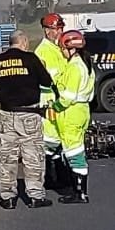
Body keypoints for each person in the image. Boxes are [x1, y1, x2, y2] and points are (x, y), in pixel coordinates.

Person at [0, 30, 55, 210]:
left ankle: (7, 197)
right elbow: (47, 82)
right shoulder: (31, 59)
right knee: (33, 157)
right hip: (29, 114)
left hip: (7, 114)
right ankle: (35, 196)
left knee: (8, 157)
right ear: (22, 42)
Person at [52, 30, 95, 203]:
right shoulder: (85, 64)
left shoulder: (74, 67)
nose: (61, 52)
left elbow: (68, 96)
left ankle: (79, 193)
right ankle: (78, 190)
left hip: (71, 112)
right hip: (81, 110)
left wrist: (55, 106)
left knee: (74, 152)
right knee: (75, 150)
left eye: (62, 48)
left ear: (70, 48)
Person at [34, 13, 69, 161]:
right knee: (51, 140)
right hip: (50, 102)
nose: (60, 32)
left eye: (61, 29)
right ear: (47, 31)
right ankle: (51, 176)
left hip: (62, 100)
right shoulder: (42, 52)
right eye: (57, 29)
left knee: (61, 140)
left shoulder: (59, 48)